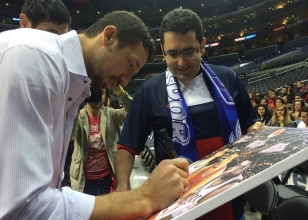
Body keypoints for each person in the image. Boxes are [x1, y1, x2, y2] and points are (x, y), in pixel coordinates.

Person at [0, 11, 189, 219]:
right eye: (130, 64)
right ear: (108, 36)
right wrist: (145, 197)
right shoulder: (35, 56)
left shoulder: (68, 80)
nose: (126, 81)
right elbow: (25, 208)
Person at [115, 8, 261, 220]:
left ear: (202, 46)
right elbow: (127, 147)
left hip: (231, 199)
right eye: (173, 54)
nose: (181, 62)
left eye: (189, 52)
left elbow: (250, 124)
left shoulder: (227, 79)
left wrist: (256, 131)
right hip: (178, 205)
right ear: (163, 49)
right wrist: (122, 191)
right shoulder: (149, 92)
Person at [70, 86, 132, 196]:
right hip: (84, 182)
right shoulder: (79, 117)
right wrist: (75, 103)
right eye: (94, 93)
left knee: (109, 213)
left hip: (108, 180)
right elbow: (69, 136)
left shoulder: (110, 114)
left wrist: (119, 90)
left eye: (102, 93)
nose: (98, 97)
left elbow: (131, 109)